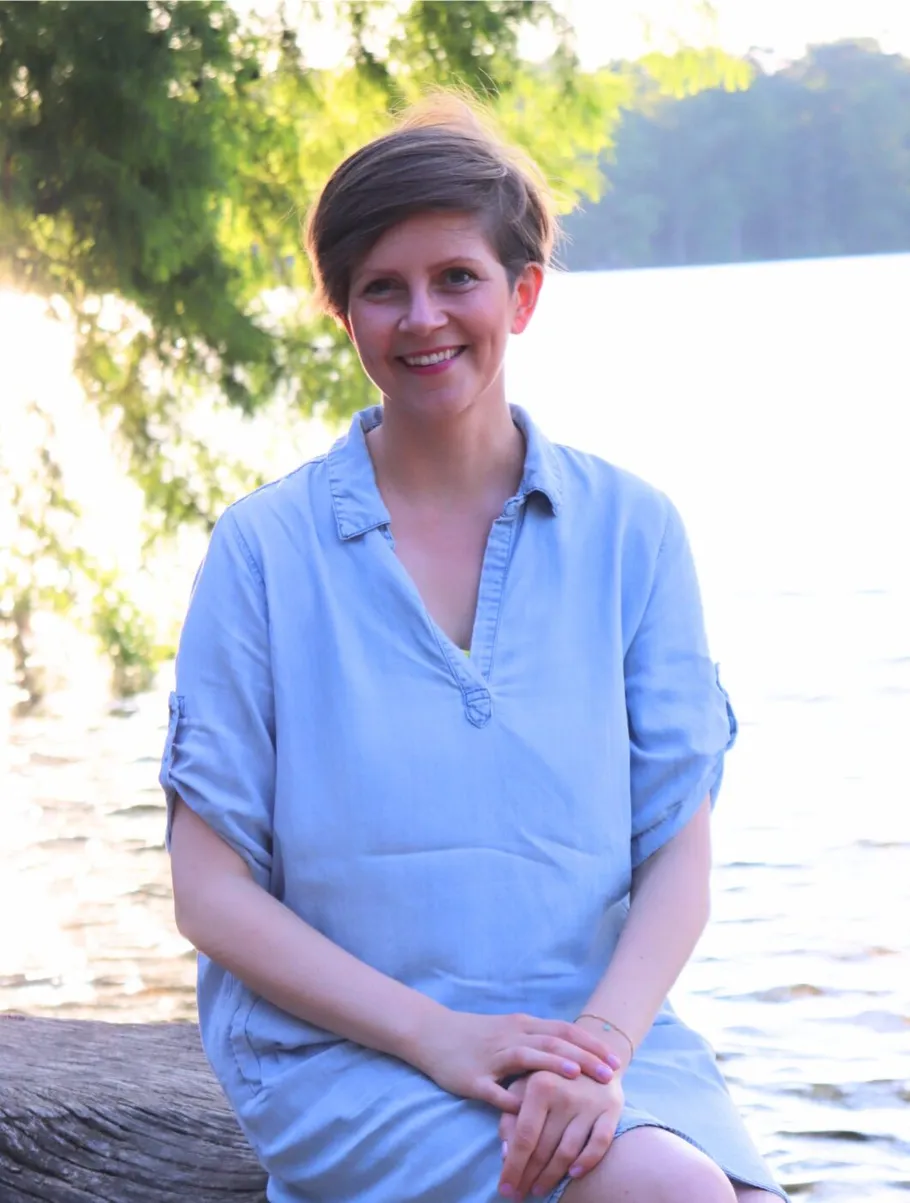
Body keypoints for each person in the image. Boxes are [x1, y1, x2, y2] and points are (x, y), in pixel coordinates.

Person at [161, 94, 789, 1203]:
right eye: (380, 289)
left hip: (600, 1049)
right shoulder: (263, 552)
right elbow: (211, 896)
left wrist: (597, 1047)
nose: (421, 319)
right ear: (341, 315)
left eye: (456, 276)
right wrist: (436, 1036)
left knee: (701, 1187)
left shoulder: (633, 532)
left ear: (523, 292)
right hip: (348, 1057)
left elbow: (676, 856)